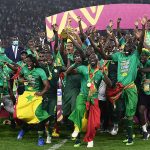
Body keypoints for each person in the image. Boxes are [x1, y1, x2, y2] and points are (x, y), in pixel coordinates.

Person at [89, 17, 147, 145]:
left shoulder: (135, 55)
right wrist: (96, 45)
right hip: (119, 89)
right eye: (126, 44)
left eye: (131, 45)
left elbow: (141, 41)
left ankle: (130, 138)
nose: (128, 45)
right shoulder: (119, 55)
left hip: (130, 88)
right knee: (121, 111)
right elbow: (105, 56)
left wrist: (142, 27)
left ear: (134, 48)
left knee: (130, 113)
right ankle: (127, 134)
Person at [66, 53, 112, 148]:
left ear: (97, 60)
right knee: (78, 109)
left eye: (94, 58)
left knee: (95, 122)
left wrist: (104, 73)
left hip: (93, 98)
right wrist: (74, 64)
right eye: (90, 58)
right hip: (83, 95)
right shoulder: (83, 68)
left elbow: (110, 84)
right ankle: (77, 129)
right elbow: (68, 72)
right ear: (88, 60)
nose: (92, 59)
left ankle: (90, 139)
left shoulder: (99, 72)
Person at [14, 54, 50, 146]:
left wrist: (41, 93)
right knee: (21, 115)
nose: (28, 63)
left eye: (30, 61)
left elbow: (47, 85)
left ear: (34, 62)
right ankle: (23, 129)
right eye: (26, 62)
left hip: (36, 96)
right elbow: (19, 77)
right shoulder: (24, 69)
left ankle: (40, 138)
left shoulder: (40, 71)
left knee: (38, 116)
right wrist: (21, 80)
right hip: (26, 95)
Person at [138, 49, 150, 140]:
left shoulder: (149, 62)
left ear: (147, 56)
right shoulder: (140, 63)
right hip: (143, 91)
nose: (142, 57)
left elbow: (148, 70)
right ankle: (145, 131)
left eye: (144, 55)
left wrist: (139, 69)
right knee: (141, 111)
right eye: (141, 55)